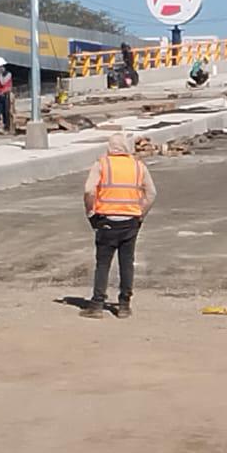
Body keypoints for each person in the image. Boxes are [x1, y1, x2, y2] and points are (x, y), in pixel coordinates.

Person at [81, 133, 158, 319]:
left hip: (107, 221)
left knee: (103, 264)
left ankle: (97, 304)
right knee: (127, 263)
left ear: (110, 148)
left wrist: (90, 212)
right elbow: (152, 193)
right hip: (130, 222)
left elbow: (89, 190)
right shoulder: (138, 166)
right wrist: (140, 214)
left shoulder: (102, 164)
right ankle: (124, 305)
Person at [0, 57, 14, 134]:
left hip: (6, 95)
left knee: (6, 112)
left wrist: (0, 75)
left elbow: (3, 82)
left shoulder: (8, 74)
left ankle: (7, 127)